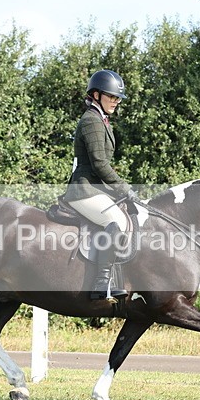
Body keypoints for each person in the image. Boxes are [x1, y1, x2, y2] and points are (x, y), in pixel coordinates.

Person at [63, 69, 141, 301]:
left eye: (118, 98)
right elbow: (99, 164)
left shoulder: (102, 120)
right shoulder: (91, 121)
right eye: (112, 96)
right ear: (96, 95)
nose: (116, 101)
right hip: (83, 190)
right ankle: (102, 282)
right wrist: (124, 188)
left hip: (95, 189)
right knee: (115, 220)